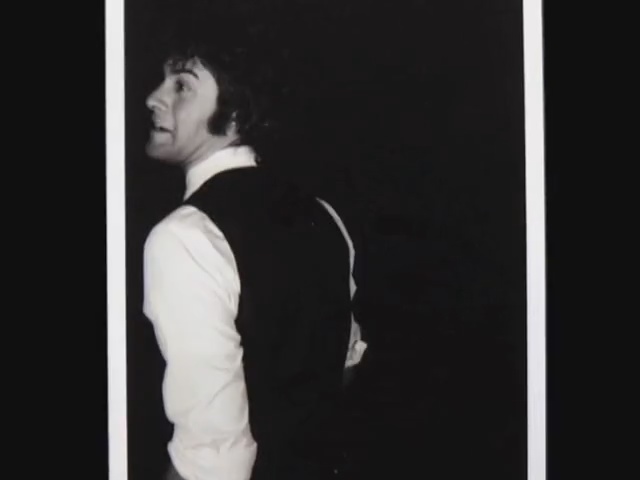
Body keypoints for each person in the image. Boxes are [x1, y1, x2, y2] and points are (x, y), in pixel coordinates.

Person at [141, 38, 367, 480]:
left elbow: (213, 461)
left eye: (182, 86)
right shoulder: (324, 214)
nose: (153, 97)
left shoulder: (185, 236)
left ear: (234, 118)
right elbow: (343, 364)